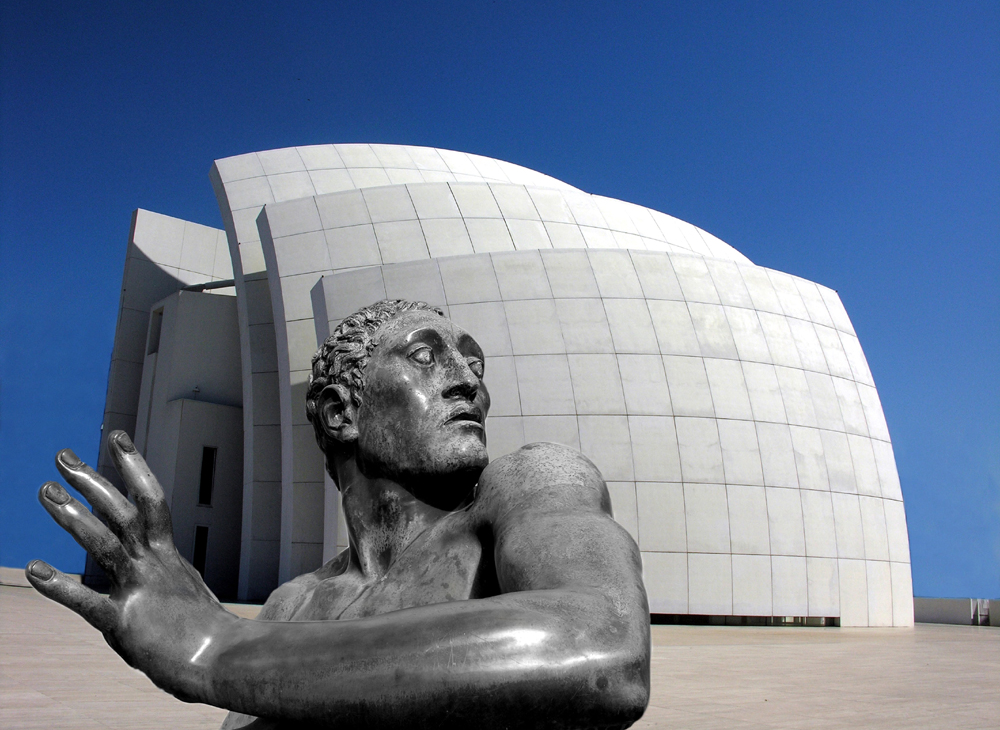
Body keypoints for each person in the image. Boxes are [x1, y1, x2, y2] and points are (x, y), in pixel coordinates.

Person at [27, 299, 651, 729]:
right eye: (426, 356)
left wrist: (216, 647)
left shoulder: (530, 484)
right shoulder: (291, 607)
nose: (469, 382)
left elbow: (601, 640)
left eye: (475, 364)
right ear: (340, 413)